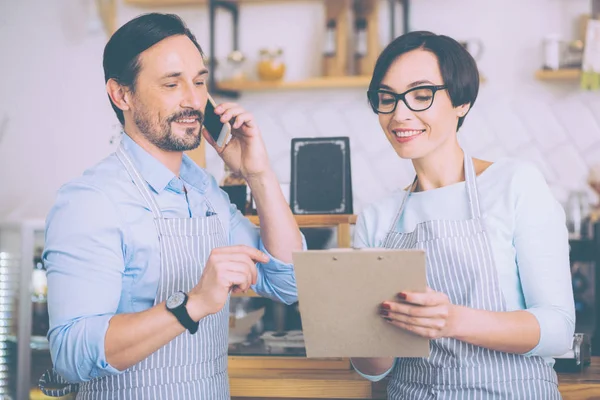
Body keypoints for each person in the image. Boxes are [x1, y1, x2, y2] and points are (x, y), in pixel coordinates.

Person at [40, 12, 304, 400]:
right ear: (122, 95)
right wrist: (191, 304)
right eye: (171, 83)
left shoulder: (204, 192)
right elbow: (70, 354)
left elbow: (289, 281)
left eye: (199, 81)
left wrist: (257, 173)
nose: (194, 100)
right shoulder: (91, 200)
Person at [350, 31, 575, 399]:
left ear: (462, 103)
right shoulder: (378, 218)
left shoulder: (515, 184)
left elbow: (557, 329)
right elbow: (373, 369)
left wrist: (453, 320)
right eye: (387, 98)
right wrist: (366, 332)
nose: (399, 114)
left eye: (421, 96)